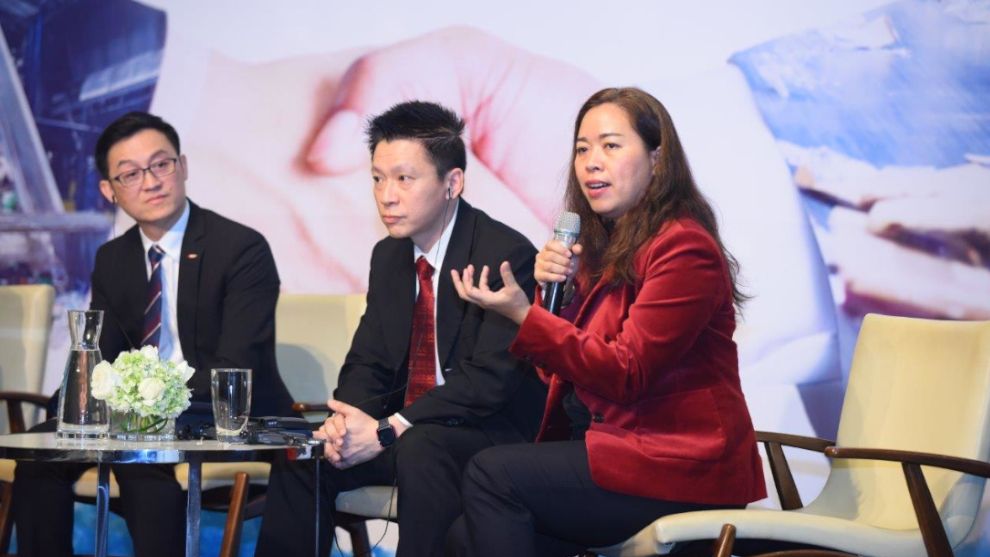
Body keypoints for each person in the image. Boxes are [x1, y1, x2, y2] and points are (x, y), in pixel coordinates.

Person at [447, 87, 767, 556]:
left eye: (611, 146)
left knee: (492, 475)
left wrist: (524, 317)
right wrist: (555, 298)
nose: (591, 163)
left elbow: (626, 372)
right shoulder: (605, 250)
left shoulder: (683, 247)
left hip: (680, 465)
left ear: (657, 159)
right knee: (463, 537)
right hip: (622, 452)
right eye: (582, 149)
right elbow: (558, 374)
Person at [254, 100, 545, 557]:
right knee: (306, 454)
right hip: (403, 431)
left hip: (486, 435)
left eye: (404, 179)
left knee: (422, 447)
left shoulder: (503, 254)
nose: (386, 195)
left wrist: (392, 427)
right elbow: (368, 359)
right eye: (377, 178)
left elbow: (489, 381)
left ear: (452, 183)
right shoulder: (388, 256)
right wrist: (346, 424)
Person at [12, 111, 297, 557]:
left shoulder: (240, 248)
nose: (150, 182)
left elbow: (237, 364)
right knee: (40, 462)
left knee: (140, 464)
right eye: (130, 174)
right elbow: (102, 357)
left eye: (161, 164)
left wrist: (147, 409)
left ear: (182, 167)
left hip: (221, 417)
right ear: (109, 190)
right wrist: (71, 405)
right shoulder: (113, 258)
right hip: (134, 422)